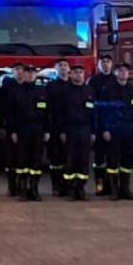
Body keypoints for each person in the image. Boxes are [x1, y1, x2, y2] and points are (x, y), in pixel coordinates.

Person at [0, 63, 48, 202]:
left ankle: (34, 190)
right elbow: (11, 114)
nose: (30, 74)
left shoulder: (42, 91)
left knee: (36, 162)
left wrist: (47, 130)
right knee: (22, 161)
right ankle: (23, 190)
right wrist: (12, 131)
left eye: (33, 72)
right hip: (22, 130)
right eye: (28, 72)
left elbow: (48, 113)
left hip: (38, 130)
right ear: (24, 74)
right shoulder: (15, 92)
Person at [94, 62, 133, 200]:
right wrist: (105, 129)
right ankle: (114, 190)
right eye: (120, 70)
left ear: (128, 73)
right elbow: (101, 111)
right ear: (116, 73)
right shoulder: (108, 89)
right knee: (112, 160)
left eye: (125, 71)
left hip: (129, 129)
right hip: (113, 129)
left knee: (128, 159)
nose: (123, 73)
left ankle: (125, 188)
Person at [51, 64, 97, 201]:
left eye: (80, 72)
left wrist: (93, 131)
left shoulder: (90, 91)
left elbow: (94, 113)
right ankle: (70, 189)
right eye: (75, 72)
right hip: (69, 129)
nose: (78, 75)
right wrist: (62, 131)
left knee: (84, 161)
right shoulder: (64, 91)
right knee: (70, 160)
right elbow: (59, 113)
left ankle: (81, 188)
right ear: (71, 75)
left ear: (84, 75)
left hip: (85, 129)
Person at [88, 54, 117, 192]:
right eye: (103, 62)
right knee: (99, 159)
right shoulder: (93, 81)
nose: (105, 64)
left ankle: (111, 186)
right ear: (98, 64)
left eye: (108, 61)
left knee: (113, 158)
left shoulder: (116, 80)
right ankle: (99, 185)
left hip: (114, 126)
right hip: (99, 125)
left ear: (112, 64)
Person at [44, 58, 73, 195]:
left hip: (71, 128)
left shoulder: (74, 86)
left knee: (69, 158)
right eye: (60, 65)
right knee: (55, 159)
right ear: (56, 68)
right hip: (54, 127)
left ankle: (68, 186)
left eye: (65, 65)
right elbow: (47, 109)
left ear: (69, 69)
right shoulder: (50, 87)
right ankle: (56, 186)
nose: (63, 67)